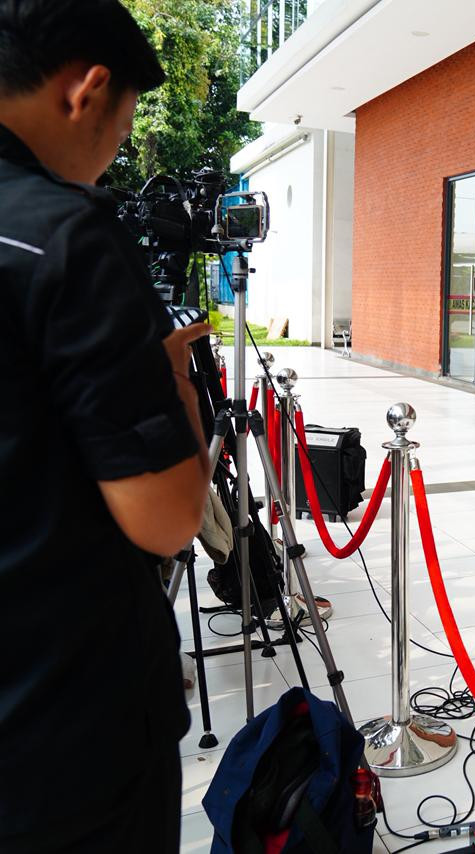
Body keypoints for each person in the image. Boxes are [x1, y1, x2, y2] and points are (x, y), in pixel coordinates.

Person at [0, 2, 211, 850]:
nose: (114, 154)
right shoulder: (66, 239)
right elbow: (170, 518)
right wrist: (172, 376)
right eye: (123, 130)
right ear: (86, 91)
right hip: (63, 735)